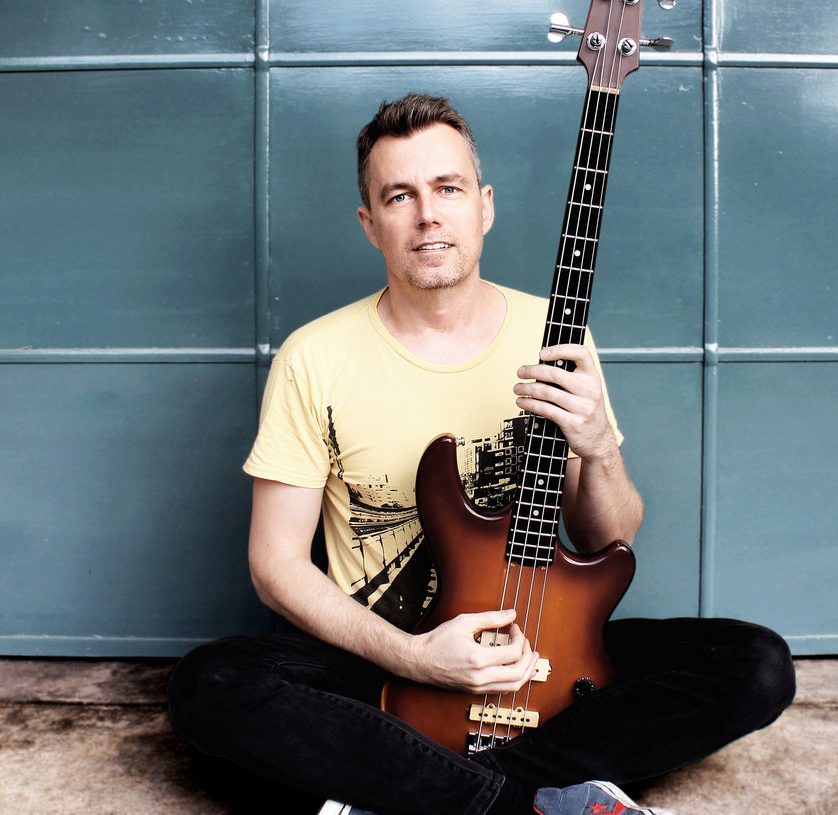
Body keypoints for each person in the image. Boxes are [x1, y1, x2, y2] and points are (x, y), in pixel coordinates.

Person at [167, 93, 795, 815]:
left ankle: (418, 788)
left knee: (757, 664)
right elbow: (275, 566)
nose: (427, 215)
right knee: (209, 684)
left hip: (549, 648)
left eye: (448, 188)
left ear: (484, 206)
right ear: (370, 224)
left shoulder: (555, 334)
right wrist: (415, 657)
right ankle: (526, 799)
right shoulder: (313, 358)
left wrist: (598, 449)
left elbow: (609, 538)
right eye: (399, 196)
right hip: (384, 663)